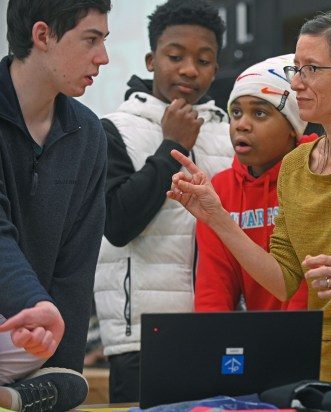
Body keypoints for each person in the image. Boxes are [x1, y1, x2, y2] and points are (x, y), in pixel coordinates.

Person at [169, 10, 331, 383]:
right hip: (316, 368)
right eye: (296, 68)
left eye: (312, 69)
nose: (296, 83)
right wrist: (215, 216)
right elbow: (283, 280)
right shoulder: (296, 165)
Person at [93, 0, 232, 403]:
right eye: (176, 56)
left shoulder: (227, 133)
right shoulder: (112, 130)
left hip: (219, 327)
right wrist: (172, 145)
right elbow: (118, 224)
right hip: (142, 336)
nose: (190, 69)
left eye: (204, 59)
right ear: (152, 60)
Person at [0, 0, 110, 410]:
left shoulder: (88, 136)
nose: (103, 57)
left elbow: (76, 267)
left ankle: (16, 397)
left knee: (71, 384)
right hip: (26, 314)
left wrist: (62, 372)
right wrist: (35, 303)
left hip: (27, 337)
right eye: (91, 39)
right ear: (43, 35)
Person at [195, 54, 314, 312]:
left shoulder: (317, 174)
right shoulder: (221, 191)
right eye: (236, 113)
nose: (242, 125)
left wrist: (289, 346)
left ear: (293, 127)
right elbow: (214, 290)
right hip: (257, 339)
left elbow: (308, 286)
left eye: (259, 113)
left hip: (316, 340)